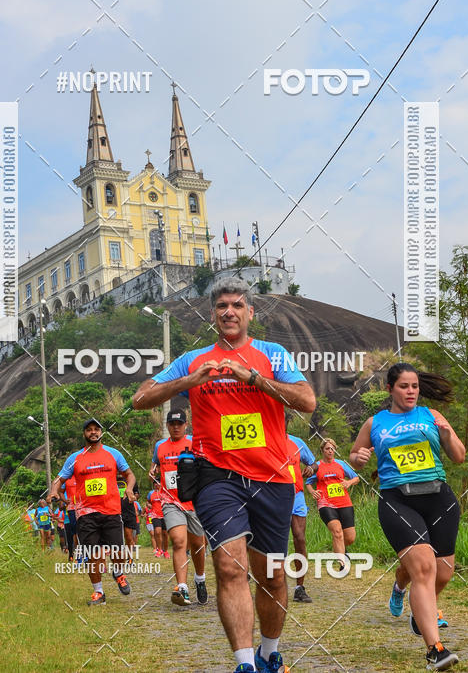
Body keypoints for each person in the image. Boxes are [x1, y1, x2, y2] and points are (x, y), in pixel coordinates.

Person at [133, 278, 316, 673]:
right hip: (218, 478)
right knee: (231, 567)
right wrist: (190, 381)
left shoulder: (273, 354)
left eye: (236, 305)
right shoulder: (194, 359)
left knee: (272, 576)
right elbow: (141, 397)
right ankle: (245, 663)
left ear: (250, 313)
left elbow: (307, 401)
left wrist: (251, 378)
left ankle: (270, 653)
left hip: (274, 477)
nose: (229, 312)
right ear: (212, 315)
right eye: (221, 306)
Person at [350, 362, 465, 671]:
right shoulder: (375, 422)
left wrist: (447, 434)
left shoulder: (432, 416)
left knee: (442, 573)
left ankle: (413, 602)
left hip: (439, 498)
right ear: (390, 389)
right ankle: (435, 649)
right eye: (404, 386)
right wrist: (358, 457)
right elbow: (356, 457)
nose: (411, 391)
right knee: (424, 569)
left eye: (414, 386)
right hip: (397, 500)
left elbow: (459, 456)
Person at [48, 417, 136, 605]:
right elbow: (59, 479)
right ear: (84, 434)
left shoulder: (113, 454)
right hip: (85, 514)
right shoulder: (75, 458)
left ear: (101, 432)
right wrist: (54, 491)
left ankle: (118, 572)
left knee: (118, 552)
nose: (93, 432)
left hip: (111, 511)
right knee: (93, 554)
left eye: (96, 429)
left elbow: (129, 474)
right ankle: (99, 593)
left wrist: (129, 488)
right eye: (89, 430)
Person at [150, 408, 208, 606]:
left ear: (186, 425)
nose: (176, 427)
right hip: (170, 501)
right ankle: (182, 588)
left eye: (179, 424)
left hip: (194, 501)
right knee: (178, 541)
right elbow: (155, 466)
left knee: (198, 544)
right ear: (167, 425)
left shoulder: (195, 443)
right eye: (172, 424)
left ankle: (200, 579)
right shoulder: (160, 447)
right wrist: (153, 471)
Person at [306, 438, 359, 560]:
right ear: (322, 450)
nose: (330, 451)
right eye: (327, 449)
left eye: (332, 448)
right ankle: (343, 563)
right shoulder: (317, 466)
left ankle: (339, 547)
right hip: (326, 504)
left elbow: (356, 478)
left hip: (344, 502)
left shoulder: (341, 464)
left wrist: (349, 483)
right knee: (337, 532)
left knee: (350, 538)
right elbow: (308, 483)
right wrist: (313, 492)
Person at [285, 430, 316, 603]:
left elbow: (314, 463)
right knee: (276, 540)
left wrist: (311, 468)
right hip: (274, 495)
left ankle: (299, 588)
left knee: (300, 538)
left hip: (296, 495)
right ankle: (274, 584)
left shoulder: (297, 442)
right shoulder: (264, 439)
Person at [147, 483, 169, 558]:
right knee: (157, 531)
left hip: (165, 515)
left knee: (165, 534)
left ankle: (165, 551)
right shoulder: (151, 493)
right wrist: (149, 505)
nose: (156, 485)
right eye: (155, 484)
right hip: (155, 515)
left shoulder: (165, 492)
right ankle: (159, 550)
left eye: (158, 484)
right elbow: (148, 502)